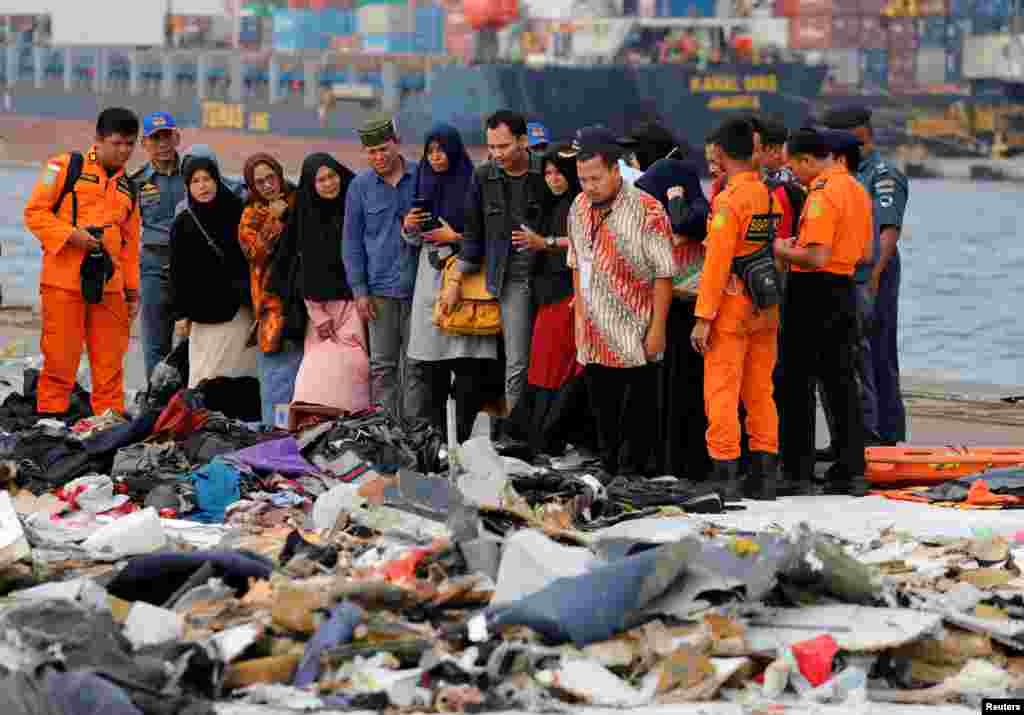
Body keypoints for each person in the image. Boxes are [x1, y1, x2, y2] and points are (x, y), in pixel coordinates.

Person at [566, 126, 675, 478]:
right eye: (582, 179)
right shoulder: (579, 208)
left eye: (595, 178)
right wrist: (580, 317)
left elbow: (663, 274)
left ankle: (636, 478)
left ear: (616, 170)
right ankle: (610, 472)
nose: (589, 186)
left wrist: (657, 329)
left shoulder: (649, 209)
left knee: (639, 418)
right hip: (595, 333)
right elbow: (575, 262)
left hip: (637, 332)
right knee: (603, 415)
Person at [773, 128, 873, 497]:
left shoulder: (821, 195)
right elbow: (864, 253)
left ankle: (797, 470)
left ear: (806, 161)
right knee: (841, 381)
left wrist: (781, 249)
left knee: (795, 381)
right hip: (845, 288)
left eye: (793, 166)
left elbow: (816, 255)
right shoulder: (857, 190)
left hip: (813, 290)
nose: (792, 174)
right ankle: (852, 468)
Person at [24, 107, 141, 417]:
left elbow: (130, 247)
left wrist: (132, 294)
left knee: (110, 365)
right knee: (60, 360)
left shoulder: (130, 187)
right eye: (117, 142)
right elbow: (34, 214)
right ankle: (50, 423)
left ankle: (108, 425)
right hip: (63, 283)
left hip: (110, 287)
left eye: (130, 144)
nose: (124, 151)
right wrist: (73, 236)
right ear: (98, 140)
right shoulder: (63, 167)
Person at [691, 119, 780, 500]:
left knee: (722, 392)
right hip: (765, 305)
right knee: (761, 392)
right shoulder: (766, 194)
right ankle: (764, 477)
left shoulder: (730, 201)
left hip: (731, 308)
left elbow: (716, 264)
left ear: (722, 154)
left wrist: (702, 318)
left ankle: (724, 475)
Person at [446, 110, 550, 420]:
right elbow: (473, 235)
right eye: (491, 147)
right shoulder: (483, 176)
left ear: (522, 141)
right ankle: (515, 430)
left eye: (503, 146)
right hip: (510, 281)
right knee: (516, 360)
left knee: (551, 360)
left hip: (551, 278)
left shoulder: (546, 171)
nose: (496, 154)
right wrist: (454, 281)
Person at [404, 124, 501, 442]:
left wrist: (454, 237)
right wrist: (409, 227)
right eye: (430, 151)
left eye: (441, 150)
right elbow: (413, 239)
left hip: (467, 278)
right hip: (430, 277)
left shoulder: (474, 183)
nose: (435, 157)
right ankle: (435, 442)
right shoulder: (421, 180)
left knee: (468, 363)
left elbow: (487, 233)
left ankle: (460, 436)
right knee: (430, 365)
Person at [823, 106, 910, 446]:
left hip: (876, 273)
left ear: (859, 134)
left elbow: (888, 230)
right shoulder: (842, 172)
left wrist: (874, 275)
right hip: (846, 272)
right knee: (850, 357)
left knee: (879, 353)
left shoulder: (883, 174)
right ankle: (850, 436)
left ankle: (889, 437)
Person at [636, 158, 712, 480]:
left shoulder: (695, 211)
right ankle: (665, 460)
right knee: (664, 390)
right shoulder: (662, 215)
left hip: (690, 310)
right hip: (667, 308)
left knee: (686, 391)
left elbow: (682, 226)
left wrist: (676, 197)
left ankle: (686, 463)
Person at [513, 143, 591, 456]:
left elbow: (583, 242)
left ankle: (547, 435)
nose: (553, 178)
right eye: (547, 173)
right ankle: (539, 434)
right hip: (546, 292)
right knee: (543, 366)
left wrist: (543, 242)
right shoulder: (549, 203)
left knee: (554, 367)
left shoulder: (579, 204)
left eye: (559, 172)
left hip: (566, 294)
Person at [342, 116, 419, 418]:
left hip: (419, 289)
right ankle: (388, 431)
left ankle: (415, 431)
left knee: (417, 366)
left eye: (384, 149)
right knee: (383, 367)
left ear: (396, 144)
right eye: (371, 152)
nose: (378, 157)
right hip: (379, 293)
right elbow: (351, 243)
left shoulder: (421, 177)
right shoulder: (359, 187)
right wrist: (359, 291)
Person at [289, 153, 371, 414]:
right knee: (317, 377)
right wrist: (316, 313)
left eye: (332, 176)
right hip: (319, 314)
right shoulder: (304, 215)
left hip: (356, 305)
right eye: (320, 180)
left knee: (355, 369)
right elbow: (296, 267)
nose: (328, 184)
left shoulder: (357, 208)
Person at [170, 156, 256, 388]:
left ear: (217, 180)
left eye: (207, 179)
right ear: (187, 187)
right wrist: (180, 314)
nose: (202, 186)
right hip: (204, 315)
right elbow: (178, 274)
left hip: (239, 311)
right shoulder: (183, 223)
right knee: (206, 375)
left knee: (240, 373)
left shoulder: (239, 212)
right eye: (195, 181)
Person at [238, 153, 303, 425]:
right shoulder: (251, 215)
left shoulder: (300, 202)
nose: (267, 185)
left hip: (305, 303)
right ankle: (274, 437)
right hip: (272, 310)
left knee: (304, 380)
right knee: (276, 382)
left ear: (279, 174)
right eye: (259, 182)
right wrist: (273, 221)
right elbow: (254, 254)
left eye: (270, 178)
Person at [130, 111, 186, 383]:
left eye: (167, 136)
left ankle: (187, 402)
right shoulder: (136, 182)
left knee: (193, 341)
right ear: (145, 143)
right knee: (154, 342)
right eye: (156, 138)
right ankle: (155, 403)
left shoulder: (194, 173)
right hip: (152, 267)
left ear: (176, 137)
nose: (162, 143)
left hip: (190, 266)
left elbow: (233, 193)